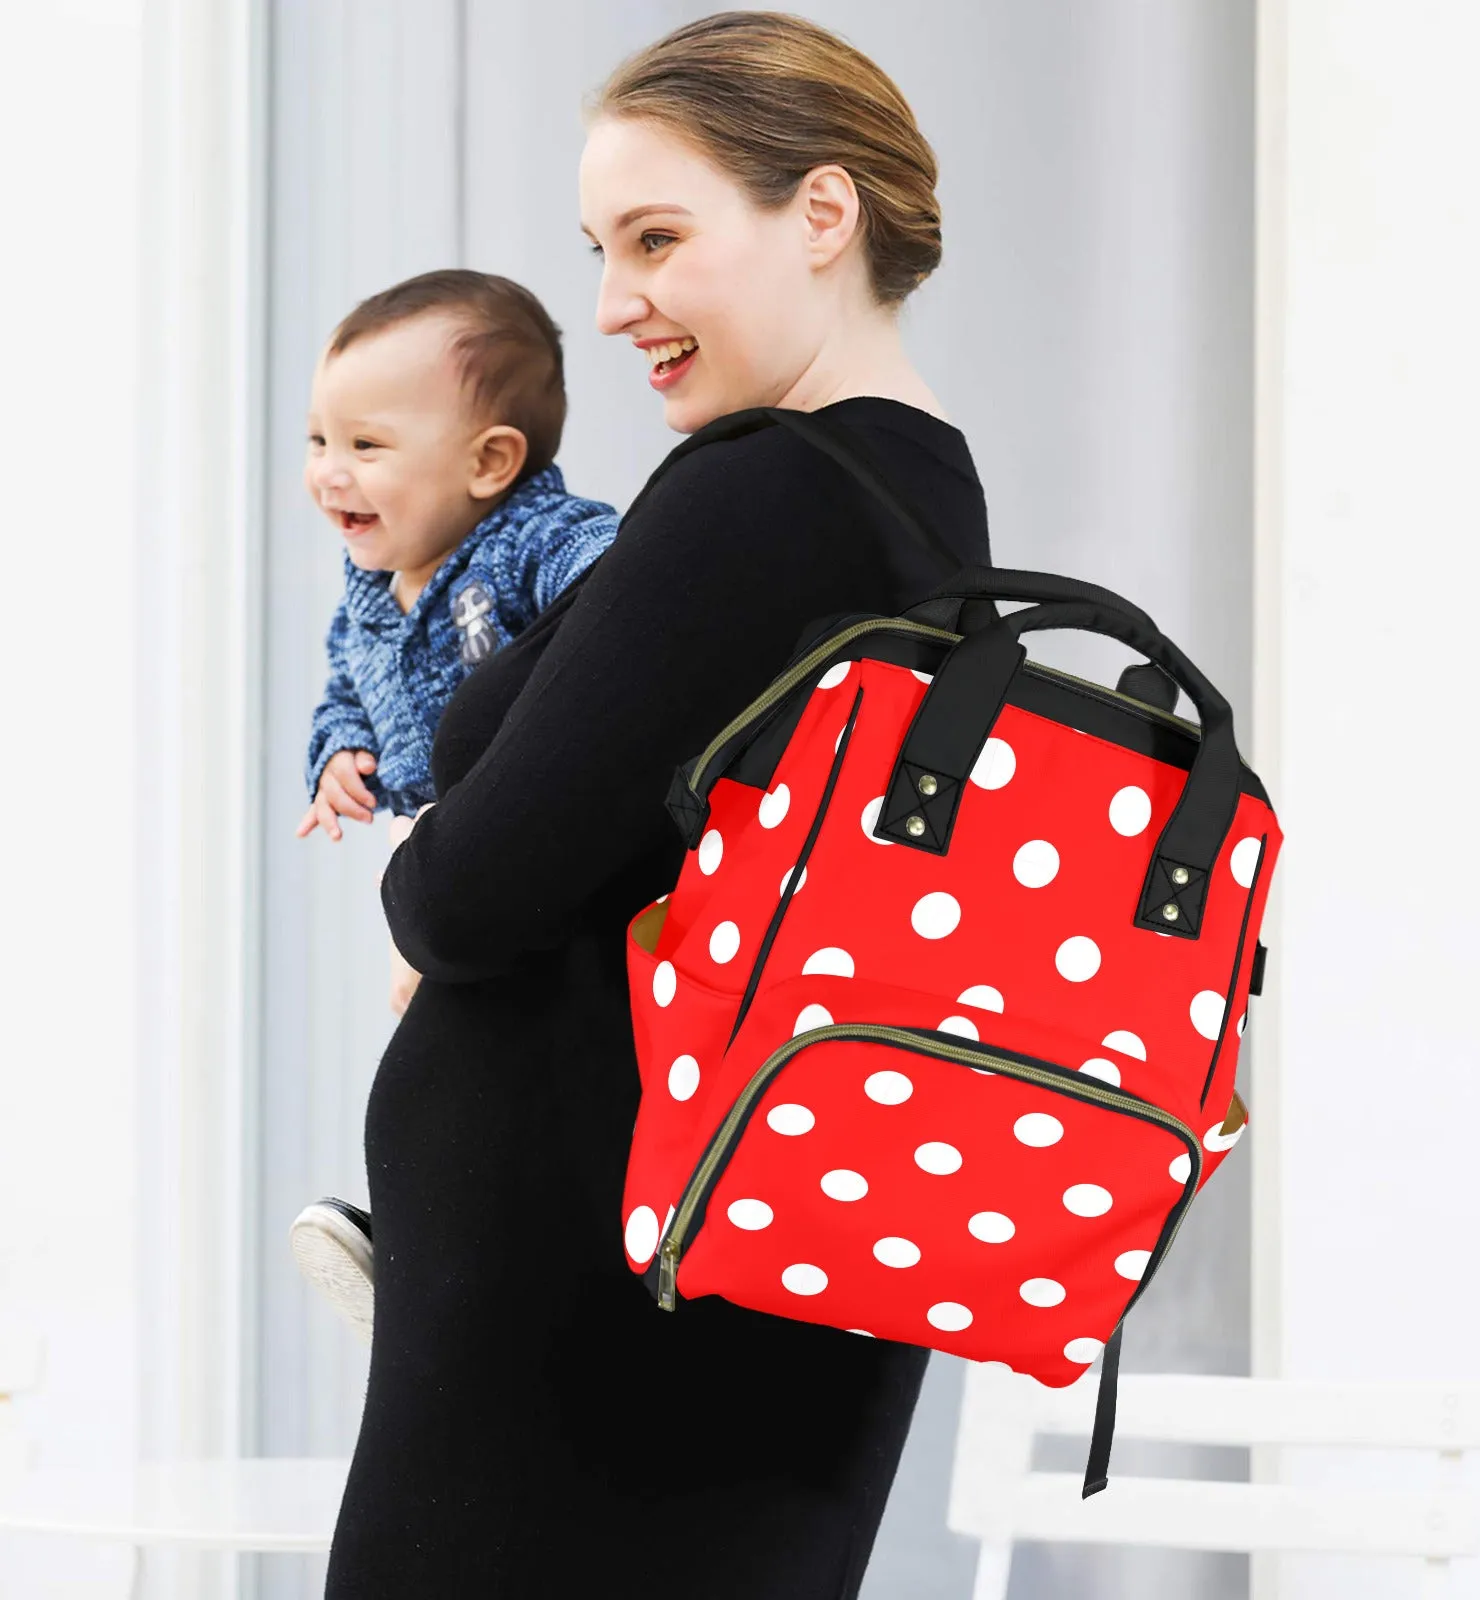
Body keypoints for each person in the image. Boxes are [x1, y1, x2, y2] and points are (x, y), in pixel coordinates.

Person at [323, 13, 991, 1597]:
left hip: (586, 1367)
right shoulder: (924, 499)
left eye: (660, 239)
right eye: (601, 248)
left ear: (822, 215)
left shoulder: (769, 492)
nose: (615, 304)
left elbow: (478, 888)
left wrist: (420, 882)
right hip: (721, 1314)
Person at [291, 271, 617, 1329]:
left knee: (483, 1046)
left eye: (366, 446)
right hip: (428, 851)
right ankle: (425, 1245)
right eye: (317, 440)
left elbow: (617, 577)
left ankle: (453, 1247)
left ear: (490, 463)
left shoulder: (527, 539)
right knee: (444, 1044)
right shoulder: (369, 580)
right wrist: (337, 750)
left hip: (513, 840)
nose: (327, 474)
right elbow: (346, 678)